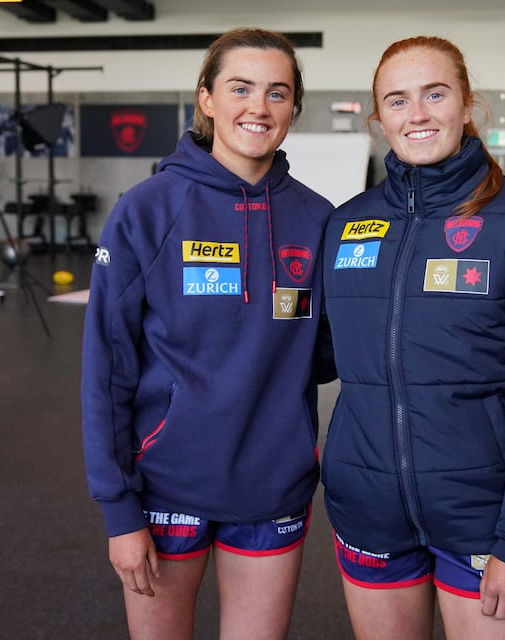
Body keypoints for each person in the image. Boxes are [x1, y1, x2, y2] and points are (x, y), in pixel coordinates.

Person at [321, 36, 505, 639]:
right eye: (397, 100)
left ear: (467, 104)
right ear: (378, 118)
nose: (416, 114)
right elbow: (307, 357)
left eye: (434, 94)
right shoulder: (346, 225)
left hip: (484, 519)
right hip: (368, 508)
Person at [80, 28, 334, 640]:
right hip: (165, 485)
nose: (259, 106)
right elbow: (105, 368)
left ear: (293, 108)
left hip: (272, 485)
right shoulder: (146, 210)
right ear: (207, 99)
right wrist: (118, 511)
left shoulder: (318, 219)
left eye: (278, 92)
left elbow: (326, 352)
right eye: (240, 88)